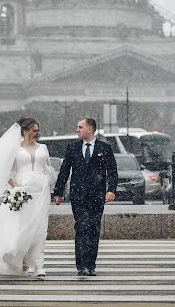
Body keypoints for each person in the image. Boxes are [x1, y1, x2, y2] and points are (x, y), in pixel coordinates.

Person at [0, 117, 56, 277]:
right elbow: (3, 171)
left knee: (40, 228)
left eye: (38, 130)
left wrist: (49, 182)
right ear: (25, 131)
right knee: (22, 227)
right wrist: (16, 187)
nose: (37, 133)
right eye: (34, 130)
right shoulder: (15, 149)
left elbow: (48, 168)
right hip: (22, 191)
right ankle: (23, 262)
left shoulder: (43, 148)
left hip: (41, 191)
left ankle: (39, 265)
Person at [54, 118, 118, 276]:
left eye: (80, 127)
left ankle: (91, 265)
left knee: (94, 229)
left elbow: (112, 171)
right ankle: (81, 265)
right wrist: (58, 192)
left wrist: (111, 190)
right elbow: (64, 171)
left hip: (97, 196)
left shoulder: (105, 148)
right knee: (82, 227)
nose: (77, 130)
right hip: (78, 196)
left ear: (90, 130)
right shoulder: (72, 148)